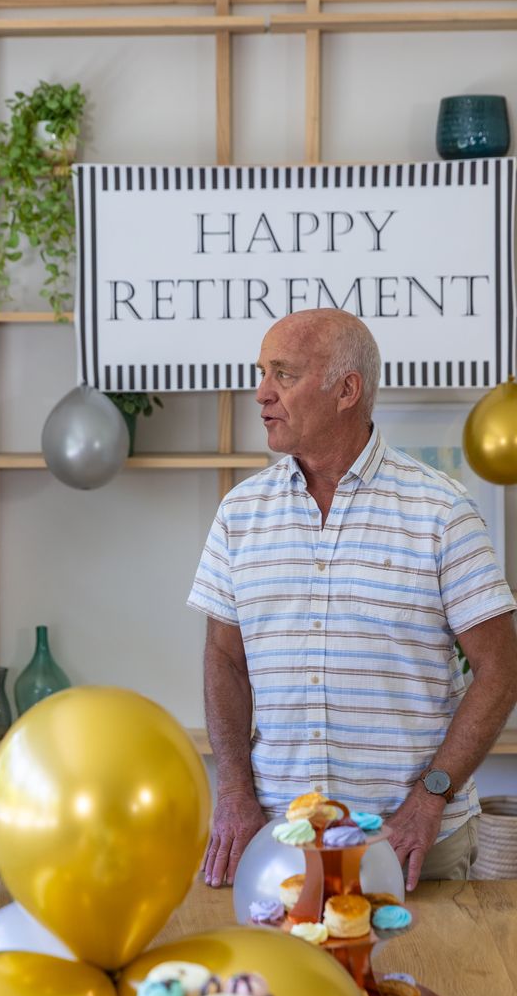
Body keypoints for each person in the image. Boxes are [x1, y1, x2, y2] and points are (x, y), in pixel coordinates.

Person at [188, 307, 517, 893]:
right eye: (261, 372)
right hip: (279, 843)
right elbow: (224, 659)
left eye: (283, 374)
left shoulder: (441, 512)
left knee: (430, 986)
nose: (261, 393)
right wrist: (234, 790)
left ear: (346, 389)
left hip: (414, 847)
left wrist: (430, 797)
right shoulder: (240, 513)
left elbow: (501, 669)